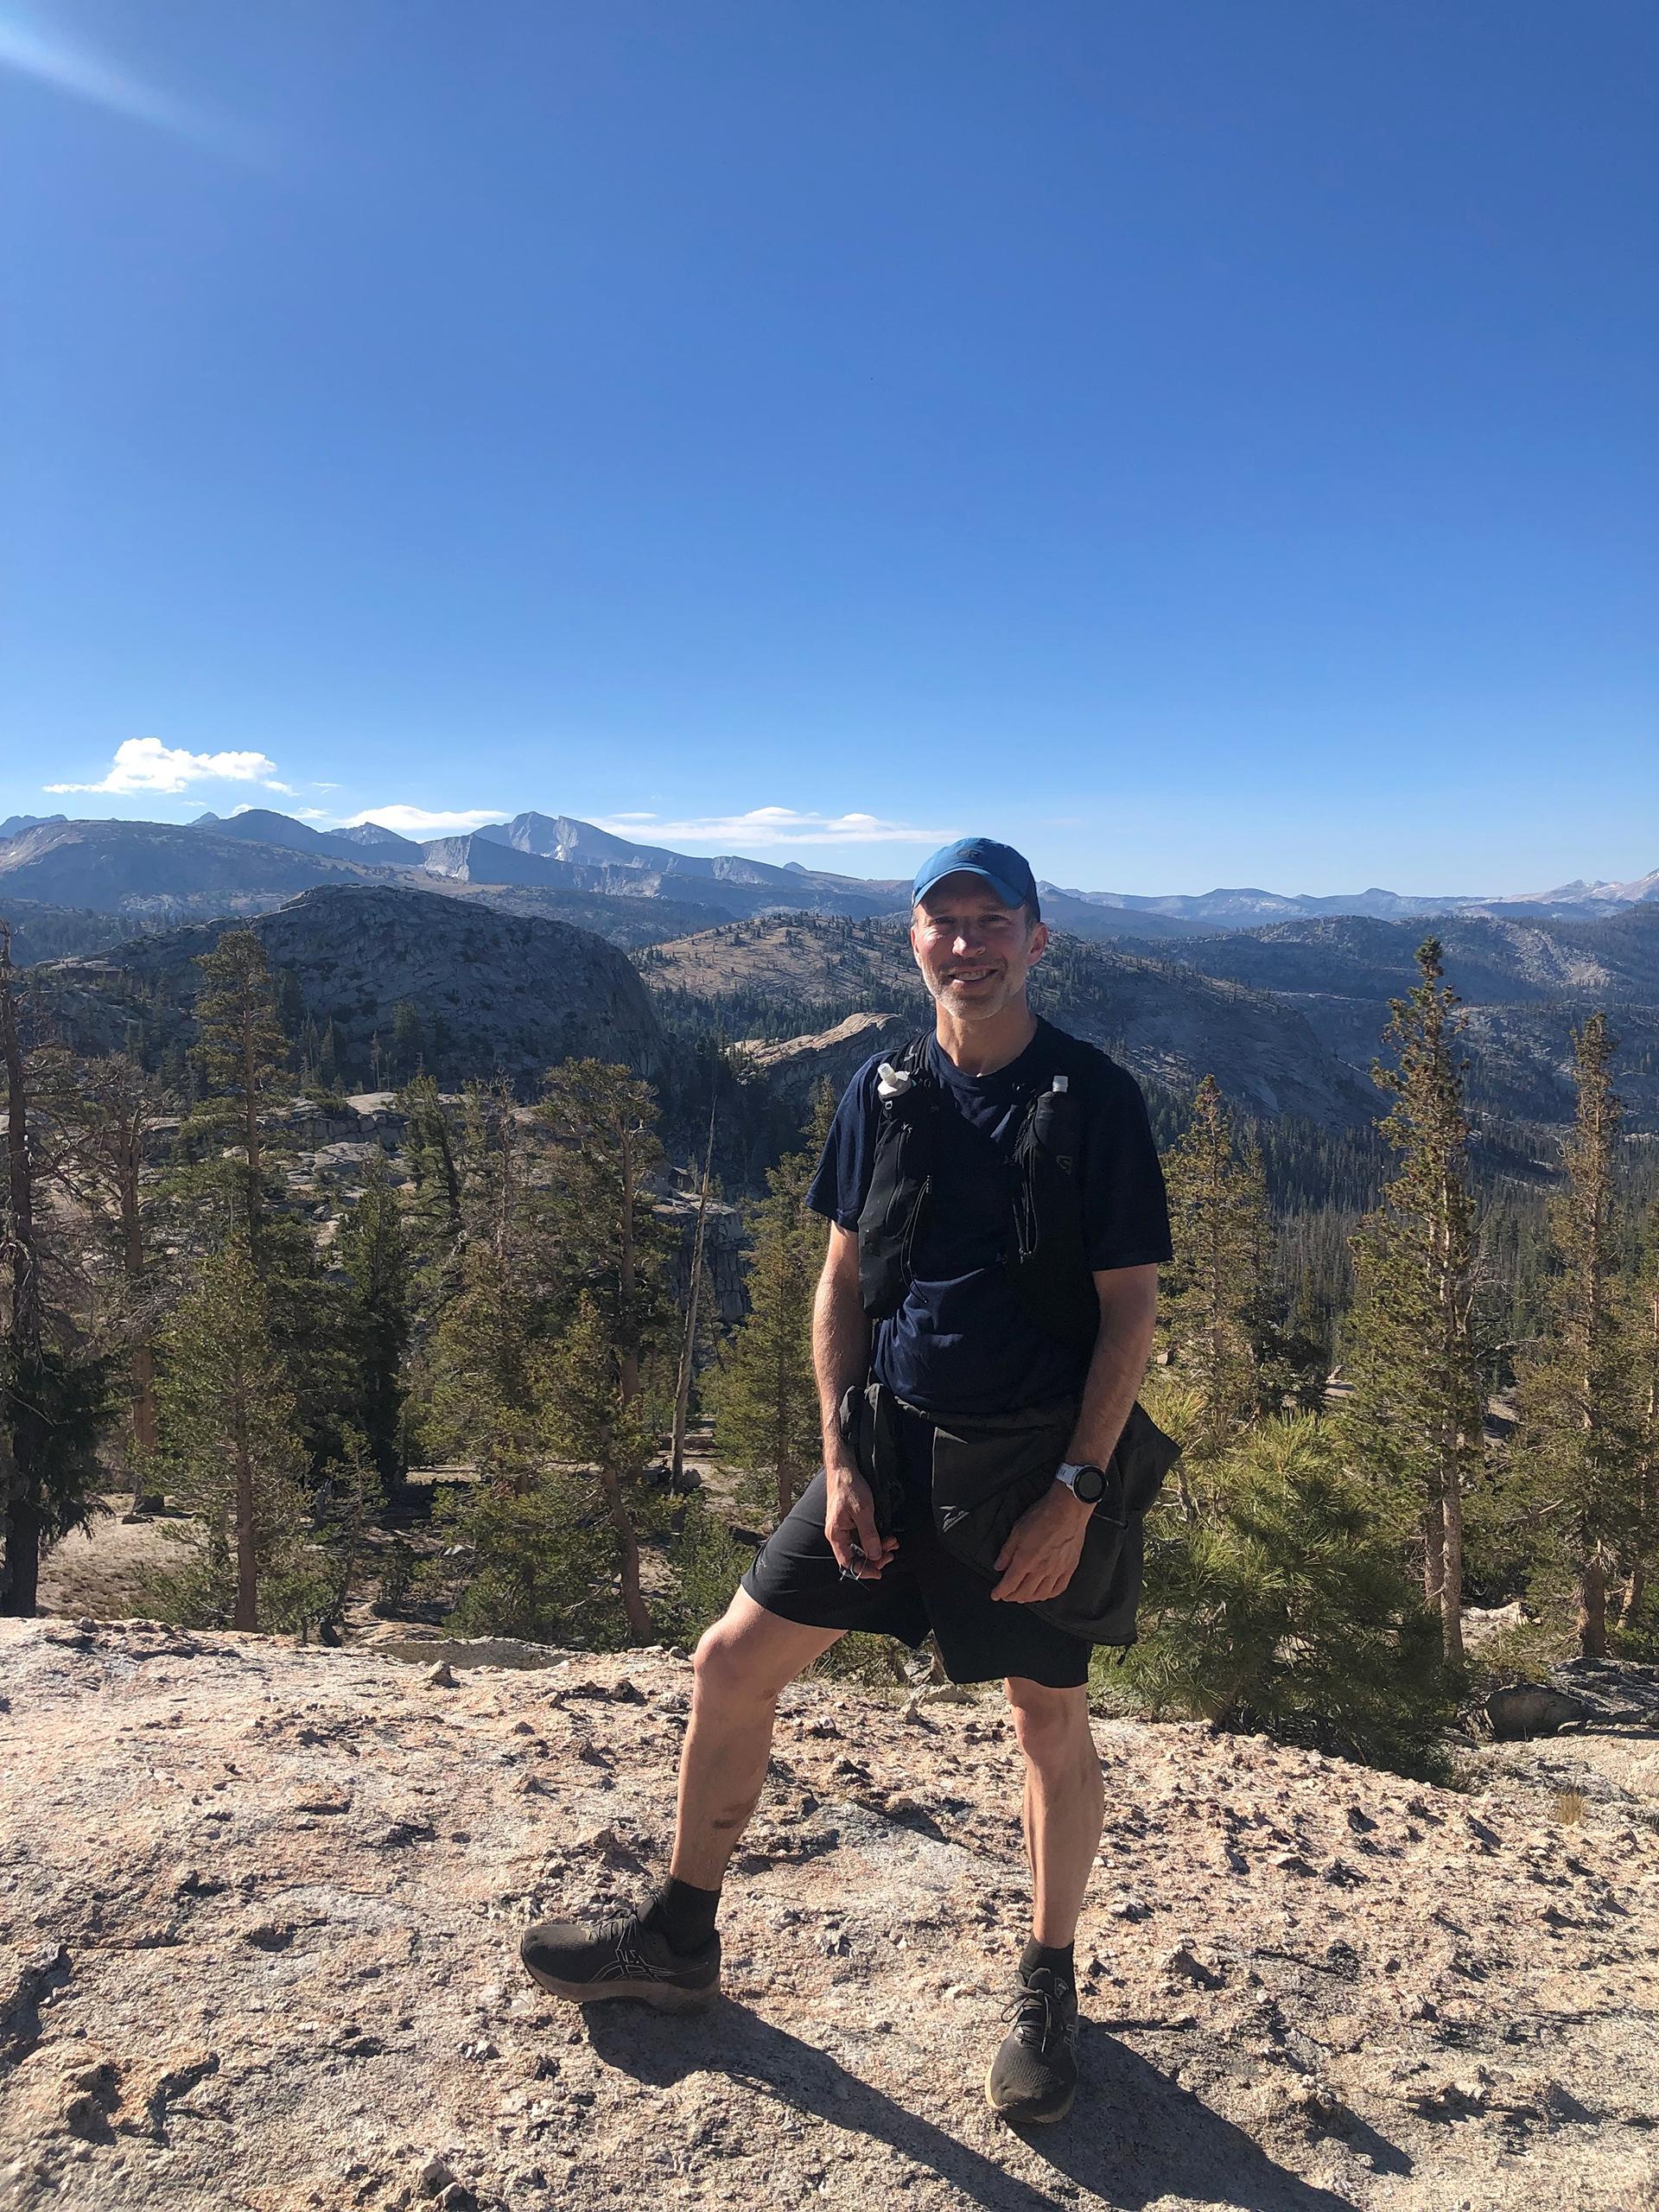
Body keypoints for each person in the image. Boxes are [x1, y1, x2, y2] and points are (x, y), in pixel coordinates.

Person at [520, 836, 1173, 2126]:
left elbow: (1129, 1311)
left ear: (1039, 941)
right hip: (886, 1452)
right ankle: (680, 1934)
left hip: (1036, 1468)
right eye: (946, 922)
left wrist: (1077, 1491)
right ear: (913, 940)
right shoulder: (879, 1089)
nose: (969, 943)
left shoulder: (1094, 1097)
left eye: (995, 922)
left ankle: (1049, 1982)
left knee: (1046, 1720)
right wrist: (836, 1453)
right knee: (730, 1661)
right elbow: (839, 1277)